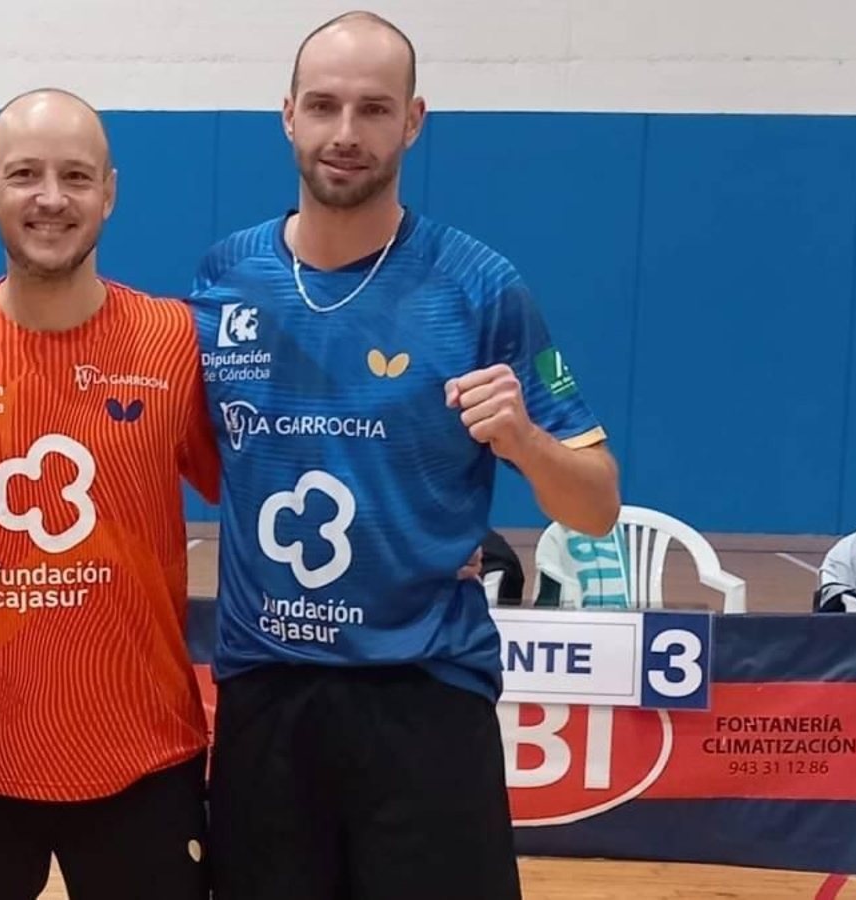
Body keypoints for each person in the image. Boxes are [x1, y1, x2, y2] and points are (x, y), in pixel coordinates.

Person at [188, 11, 622, 900]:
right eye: (324, 106)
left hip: (423, 697)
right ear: (287, 115)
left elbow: (597, 506)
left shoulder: (480, 287)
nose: (346, 134)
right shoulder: (223, 277)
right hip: (267, 696)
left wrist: (525, 441)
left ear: (413, 121)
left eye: (374, 110)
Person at [0, 88, 219, 900]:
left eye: (76, 176)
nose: (50, 198)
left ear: (109, 192)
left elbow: (259, 487)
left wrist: (416, 540)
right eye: (25, 175)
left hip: (143, 759)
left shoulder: (177, 341)